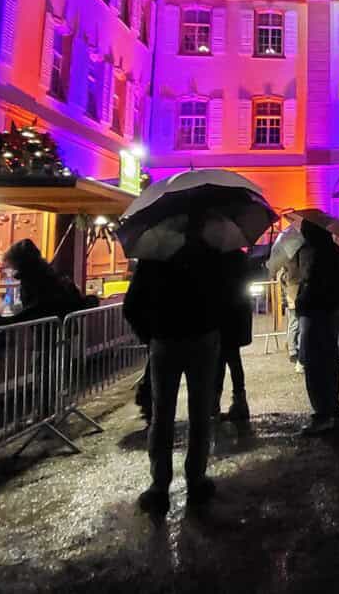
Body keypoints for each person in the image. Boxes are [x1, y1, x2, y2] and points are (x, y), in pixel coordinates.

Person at [123, 220, 229, 513]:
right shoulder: (210, 254)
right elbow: (226, 297)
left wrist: (150, 336)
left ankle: (159, 485)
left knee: (162, 413)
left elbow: (131, 305)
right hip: (203, 339)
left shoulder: (154, 256)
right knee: (200, 412)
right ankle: (196, 480)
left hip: (166, 340)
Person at [0, 239, 92, 332]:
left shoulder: (33, 280)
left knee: (46, 361)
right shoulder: (48, 274)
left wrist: (9, 319)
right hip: (61, 327)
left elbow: (37, 307)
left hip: (48, 330)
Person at [294, 221, 339, 435]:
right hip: (330, 310)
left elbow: (309, 281)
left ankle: (322, 413)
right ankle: (332, 410)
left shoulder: (311, 251)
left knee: (314, 364)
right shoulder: (335, 250)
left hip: (313, 312)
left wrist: (300, 302)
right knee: (329, 361)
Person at [216, 252, 255, 437]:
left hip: (224, 318)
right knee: (232, 360)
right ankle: (239, 402)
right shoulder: (240, 258)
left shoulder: (219, 258)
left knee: (220, 361)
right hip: (237, 318)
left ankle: (214, 404)